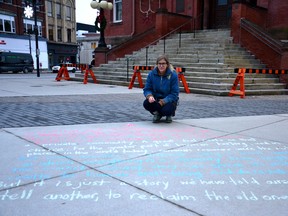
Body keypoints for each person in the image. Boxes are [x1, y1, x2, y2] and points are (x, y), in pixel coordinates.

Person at [143, 54, 179, 123]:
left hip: (168, 100)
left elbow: (174, 93)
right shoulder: (151, 74)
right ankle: (157, 113)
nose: (161, 66)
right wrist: (149, 96)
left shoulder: (173, 75)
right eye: (159, 64)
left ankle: (169, 114)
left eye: (163, 64)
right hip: (156, 99)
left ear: (167, 64)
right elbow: (147, 89)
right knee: (146, 103)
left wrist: (163, 102)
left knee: (167, 110)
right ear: (157, 64)